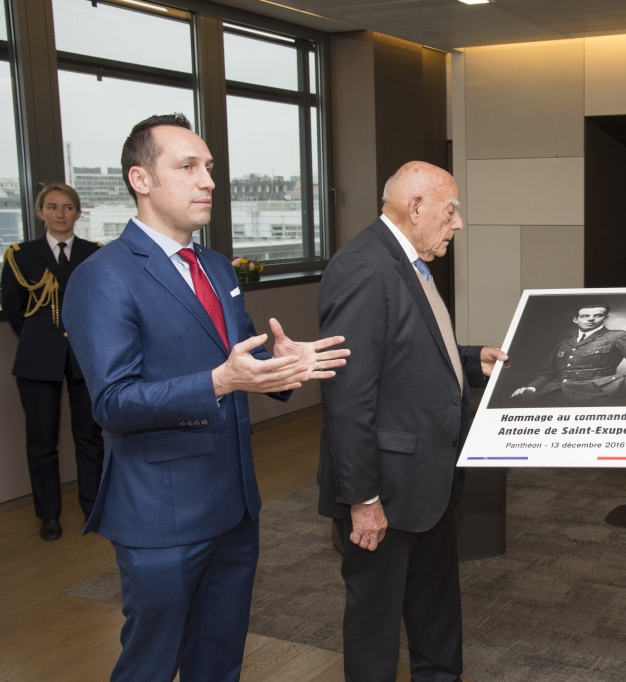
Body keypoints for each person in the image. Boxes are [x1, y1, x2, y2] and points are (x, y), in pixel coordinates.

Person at [62, 113, 349, 681]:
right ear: (141, 180)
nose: (208, 181)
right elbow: (114, 403)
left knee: (219, 661)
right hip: (160, 515)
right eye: (188, 167)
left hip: (235, 505)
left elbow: (240, 361)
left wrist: (284, 367)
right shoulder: (104, 276)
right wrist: (222, 381)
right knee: (149, 665)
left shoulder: (216, 266)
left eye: (210, 168)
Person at [317, 161, 506, 682]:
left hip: (428, 481)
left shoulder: (411, 264)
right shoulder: (362, 266)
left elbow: (408, 352)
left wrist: (471, 360)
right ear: (415, 207)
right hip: (383, 490)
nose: (459, 223)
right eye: (452, 210)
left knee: (436, 616)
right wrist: (363, 499)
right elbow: (348, 398)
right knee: (376, 630)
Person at [1, 183, 104, 541]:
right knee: (41, 441)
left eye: (68, 207)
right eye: (52, 207)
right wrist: (42, 338)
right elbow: (15, 311)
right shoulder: (20, 255)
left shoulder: (95, 253)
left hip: (84, 357)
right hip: (38, 358)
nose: (60, 214)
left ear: (78, 213)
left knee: (89, 436)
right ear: (40, 212)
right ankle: (49, 516)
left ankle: (94, 507)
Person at [509, 302, 626, 406]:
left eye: (597, 315)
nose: (591, 319)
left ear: (605, 318)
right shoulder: (564, 342)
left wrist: (611, 389)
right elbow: (547, 374)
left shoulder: (619, 336)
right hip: (553, 395)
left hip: (594, 397)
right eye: (585, 316)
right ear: (576, 319)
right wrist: (532, 388)